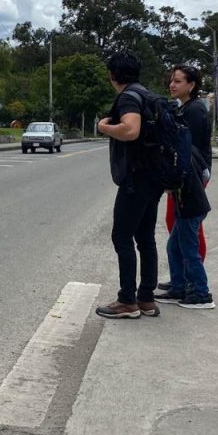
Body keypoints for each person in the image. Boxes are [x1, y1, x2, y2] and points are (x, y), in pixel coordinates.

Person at [94, 51, 165, 320]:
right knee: (145, 238)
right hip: (154, 177)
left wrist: (104, 127)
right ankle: (146, 298)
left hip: (136, 180)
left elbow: (130, 130)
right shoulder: (147, 94)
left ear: (113, 75)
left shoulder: (128, 97)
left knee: (121, 237)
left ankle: (127, 301)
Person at [157, 64, 215, 309]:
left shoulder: (194, 112)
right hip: (186, 175)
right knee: (176, 235)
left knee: (188, 235)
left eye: (178, 81)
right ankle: (180, 283)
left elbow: (185, 148)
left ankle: (197, 288)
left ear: (191, 85)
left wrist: (174, 177)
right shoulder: (187, 108)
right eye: (171, 80)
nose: (172, 85)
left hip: (189, 178)